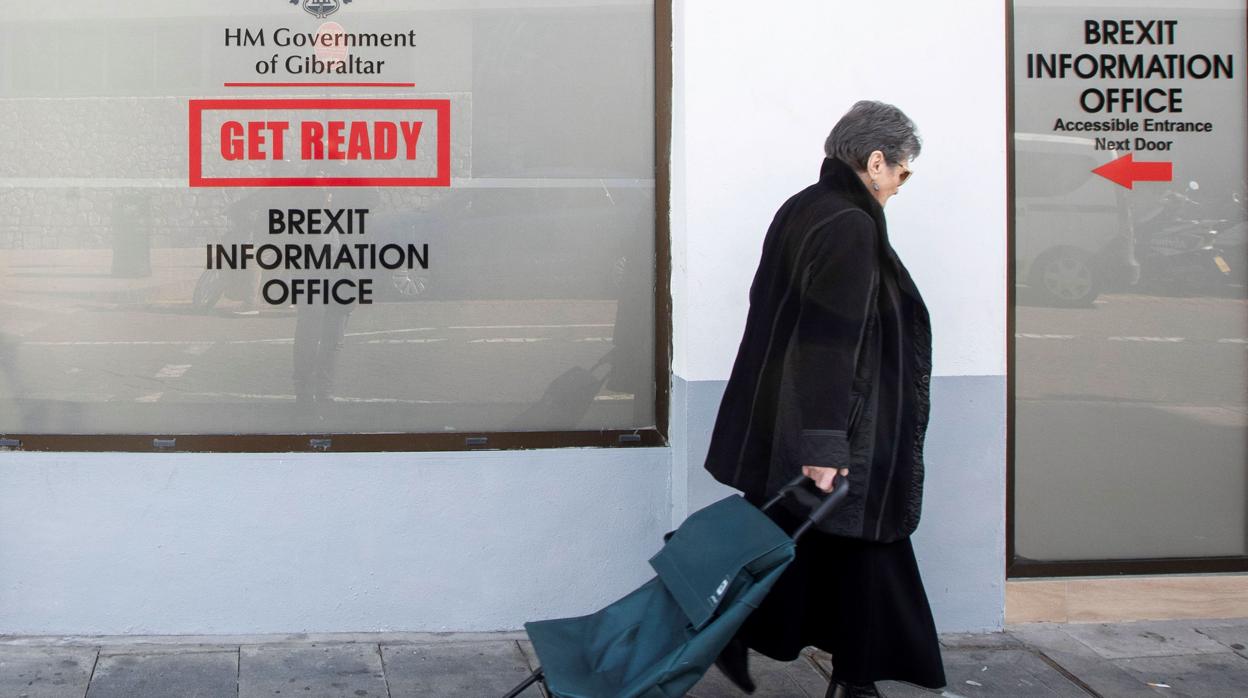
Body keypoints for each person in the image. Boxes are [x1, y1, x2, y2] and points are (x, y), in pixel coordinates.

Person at [704, 101, 946, 697]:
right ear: (875, 160)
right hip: (844, 427)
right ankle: (848, 677)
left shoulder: (804, 207)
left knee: (823, 549)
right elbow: (829, 340)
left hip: (801, 418)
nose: (899, 186)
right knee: (866, 549)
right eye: (901, 173)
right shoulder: (850, 223)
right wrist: (825, 441)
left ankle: (750, 636)